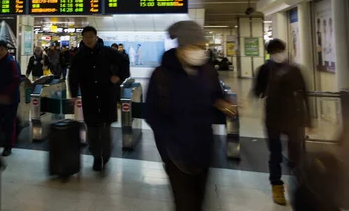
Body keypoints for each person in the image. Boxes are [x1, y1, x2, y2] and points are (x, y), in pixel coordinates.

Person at [145, 21, 236, 211]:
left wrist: (225, 105)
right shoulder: (161, 75)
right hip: (175, 153)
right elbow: (151, 113)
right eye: (195, 46)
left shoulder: (208, 72)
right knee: (185, 203)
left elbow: (216, 97)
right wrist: (169, 142)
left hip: (204, 149)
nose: (200, 51)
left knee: (200, 198)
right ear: (181, 48)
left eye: (202, 47)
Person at [254, 38, 311, 206]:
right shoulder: (265, 69)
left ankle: (299, 185)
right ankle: (277, 186)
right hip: (273, 118)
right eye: (273, 52)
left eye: (279, 51)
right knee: (276, 154)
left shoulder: (295, 70)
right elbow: (258, 90)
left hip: (293, 118)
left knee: (296, 154)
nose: (277, 55)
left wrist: (309, 120)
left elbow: (304, 93)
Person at [68, 26, 129, 172]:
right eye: (86, 37)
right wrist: (74, 94)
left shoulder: (107, 52)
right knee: (93, 129)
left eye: (91, 36)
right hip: (89, 96)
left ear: (96, 37)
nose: (89, 39)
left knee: (106, 128)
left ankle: (105, 155)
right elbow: (73, 75)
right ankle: (96, 156)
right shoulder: (79, 55)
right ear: (83, 38)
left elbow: (124, 61)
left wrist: (119, 76)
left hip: (106, 95)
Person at [0, 40, 21, 157]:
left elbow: (16, 79)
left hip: (9, 100)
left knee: (9, 123)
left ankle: (8, 146)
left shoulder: (11, 62)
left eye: (1, 49)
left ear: (6, 50)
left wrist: (6, 95)